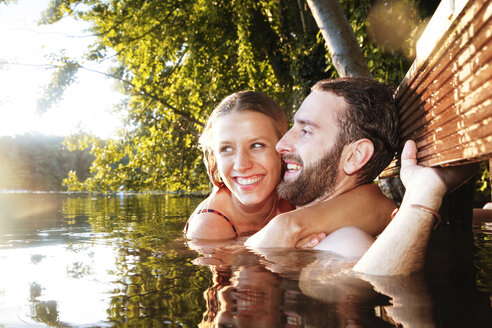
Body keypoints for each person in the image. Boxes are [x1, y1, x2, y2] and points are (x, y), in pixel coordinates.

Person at [245, 77, 477, 275]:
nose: (281, 144)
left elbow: (376, 285)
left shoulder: (344, 244)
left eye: (305, 131)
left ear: (355, 156)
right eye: (292, 129)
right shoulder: (304, 223)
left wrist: (423, 195)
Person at [185, 90, 395, 241]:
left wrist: (291, 227)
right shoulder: (210, 227)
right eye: (226, 149)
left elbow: (378, 204)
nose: (242, 164)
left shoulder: (291, 187)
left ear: (282, 148)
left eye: (257, 145)